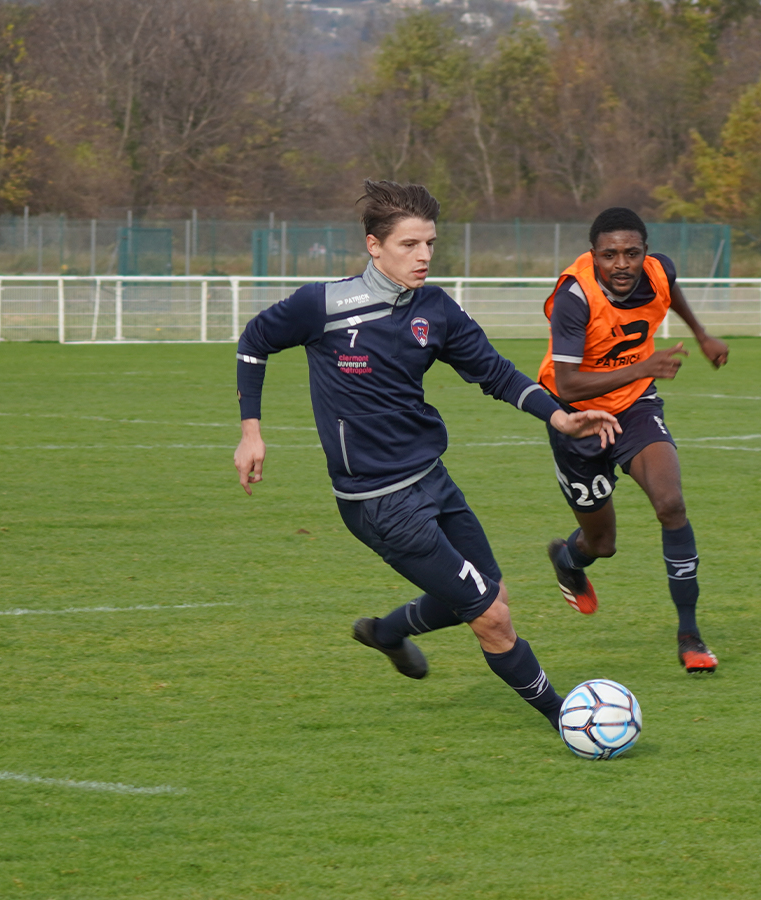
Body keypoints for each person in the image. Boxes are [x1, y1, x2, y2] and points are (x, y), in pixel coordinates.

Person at [233, 180, 620, 731]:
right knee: (491, 616)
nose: (424, 257)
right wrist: (252, 431)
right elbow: (254, 341)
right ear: (374, 246)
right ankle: (569, 721)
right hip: (378, 502)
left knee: (494, 592)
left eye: (430, 244)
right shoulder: (322, 305)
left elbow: (494, 371)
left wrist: (559, 415)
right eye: (409, 245)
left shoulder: (435, 309)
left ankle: (387, 632)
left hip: (432, 480)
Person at [537, 207, 730, 673]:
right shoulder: (574, 297)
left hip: (637, 406)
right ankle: (567, 558)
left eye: (632, 253)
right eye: (609, 255)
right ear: (594, 255)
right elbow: (566, 385)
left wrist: (701, 334)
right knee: (601, 544)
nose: (621, 263)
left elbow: (671, 289)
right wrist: (645, 365)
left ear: (646, 253)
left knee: (671, 505)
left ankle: (690, 635)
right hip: (577, 420)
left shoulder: (658, 270)